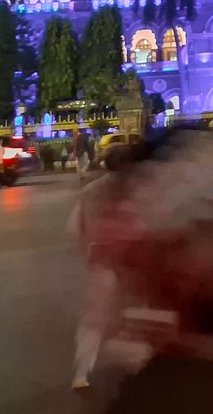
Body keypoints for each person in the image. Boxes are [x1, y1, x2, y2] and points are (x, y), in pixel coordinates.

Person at [70, 145, 143, 390]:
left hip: (100, 258)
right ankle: (132, 361)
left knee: (94, 319)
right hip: (128, 259)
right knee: (132, 312)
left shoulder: (90, 191)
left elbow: (77, 226)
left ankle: (82, 372)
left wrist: (87, 249)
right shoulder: (133, 191)